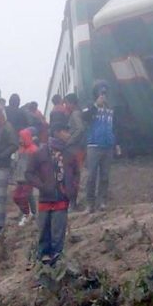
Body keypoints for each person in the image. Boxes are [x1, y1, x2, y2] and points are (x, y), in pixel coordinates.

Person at [25, 122, 77, 266]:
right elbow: (29, 174)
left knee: (58, 235)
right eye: (66, 131)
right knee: (44, 233)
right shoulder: (40, 153)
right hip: (45, 199)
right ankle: (43, 265)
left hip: (62, 199)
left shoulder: (69, 154)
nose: (68, 134)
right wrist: (42, 186)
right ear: (57, 133)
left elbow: (76, 174)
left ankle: (56, 264)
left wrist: (72, 190)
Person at [82, 81, 121, 213]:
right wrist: (95, 106)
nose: (103, 95)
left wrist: (117, 144)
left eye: (105, 92)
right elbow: (85, 117)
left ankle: (102, 202)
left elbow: (114, 127)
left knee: (105, 176)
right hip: (94, 145)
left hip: (108, 146)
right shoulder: (89, 106)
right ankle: (89, 203)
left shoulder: (110, 108)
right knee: (91, 176)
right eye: (101, 92)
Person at [11, 127, 38, 226]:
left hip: (27, 178)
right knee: (17, 197)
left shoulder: (33, 150)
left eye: (21, 138)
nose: (19, 140)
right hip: (20, 178)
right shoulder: (20, 150)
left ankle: (29, 214)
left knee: (25, 196)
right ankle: (28, 213)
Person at [63, 93, 86, 211]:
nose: (66, 105)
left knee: (70, 177)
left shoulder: (75, 114)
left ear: (71, 103)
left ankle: (72, 203)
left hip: (73, 150)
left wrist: (69, 141)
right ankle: (74, 203)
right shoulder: (79, 112)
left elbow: (80, 129)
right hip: (78, 149)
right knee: (75, 176)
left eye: (66, 103)